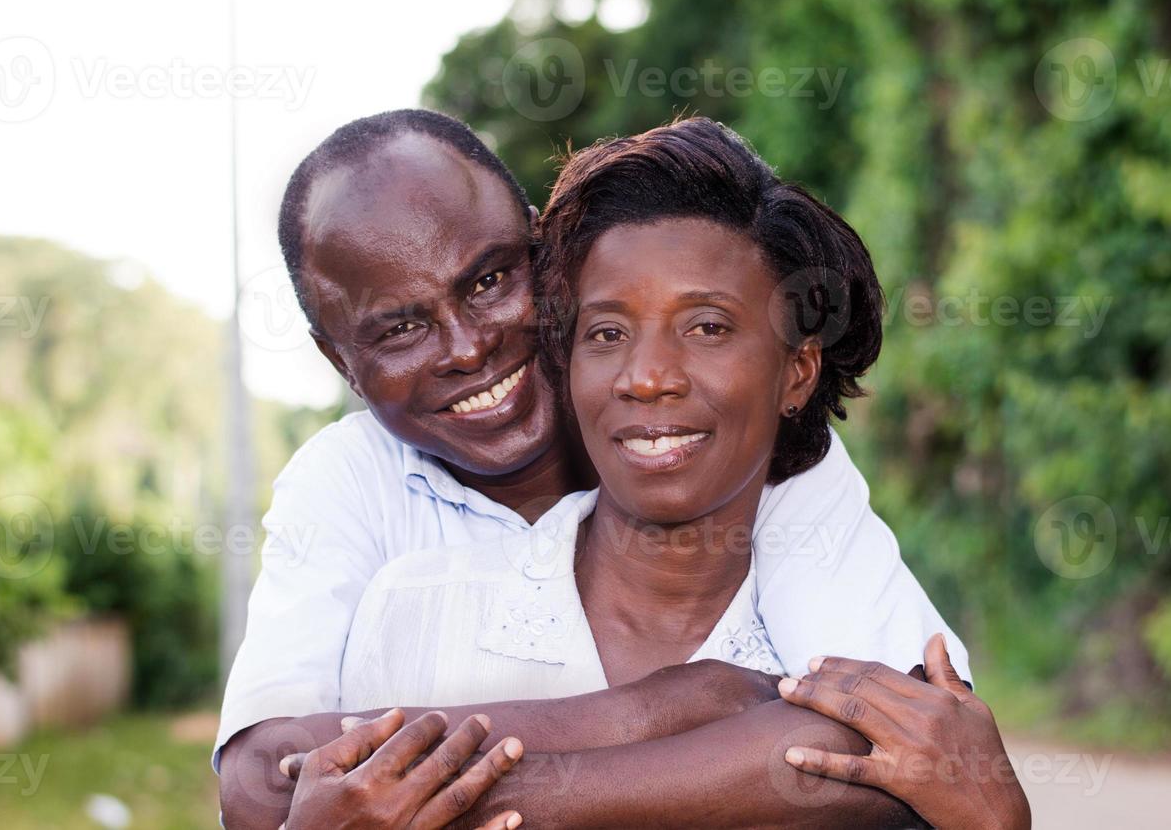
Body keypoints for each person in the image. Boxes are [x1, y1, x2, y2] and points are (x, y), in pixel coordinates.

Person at [217, 111, 1020, 829]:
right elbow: (265, 781)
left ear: (546, 258)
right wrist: (671, 705)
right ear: (339, 361)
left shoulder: (731, 443)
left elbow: (896, 737)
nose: (467, 348)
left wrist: (449, 793)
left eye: (491, 281)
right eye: (399, 329)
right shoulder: (360, 497)